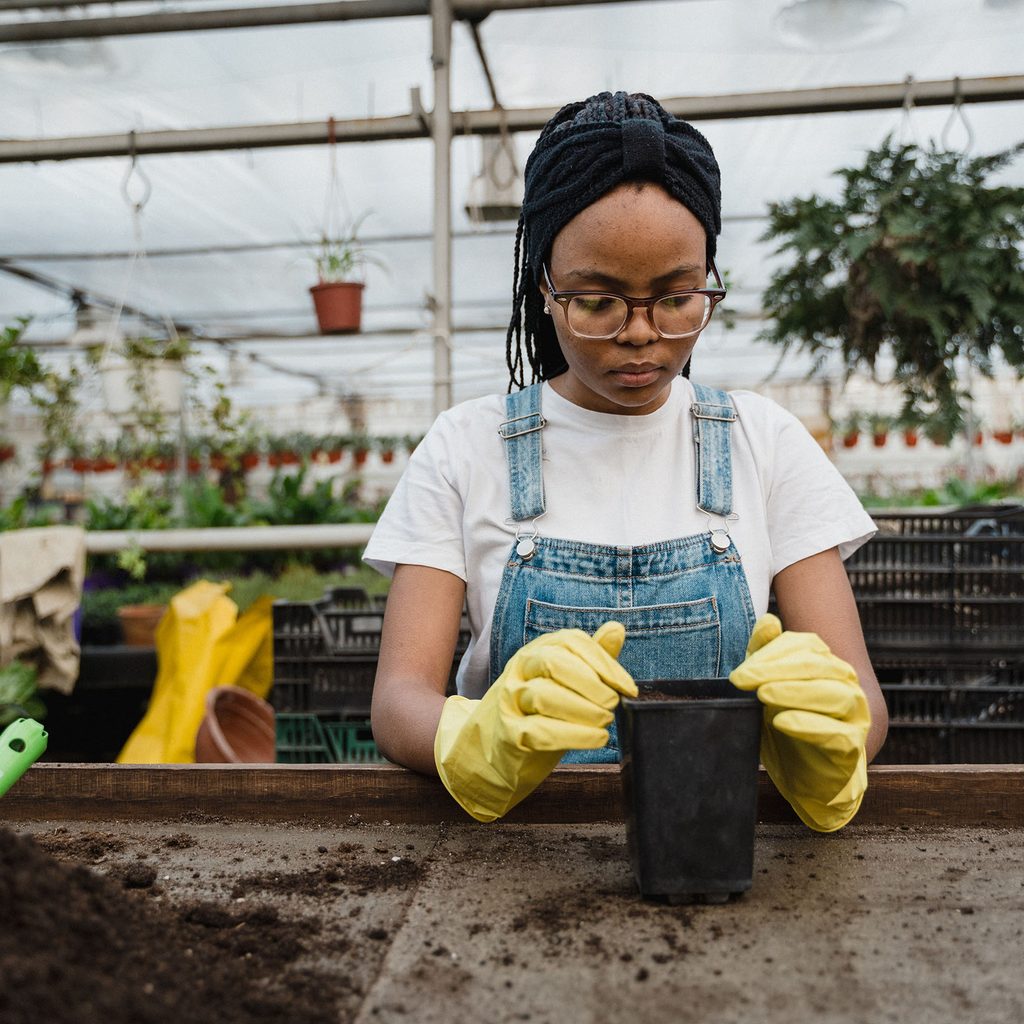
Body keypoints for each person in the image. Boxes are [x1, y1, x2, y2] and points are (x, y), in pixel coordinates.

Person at [364, 91, 888, 832]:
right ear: (542, 287)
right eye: (598, 301)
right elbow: (397, 700)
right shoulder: (465, 446)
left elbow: (861, 698)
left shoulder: (762, 441)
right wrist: (471, 736)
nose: (641, 334)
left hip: (715, 845)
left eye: (677, 297)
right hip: (519, 860)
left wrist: (828, 743)